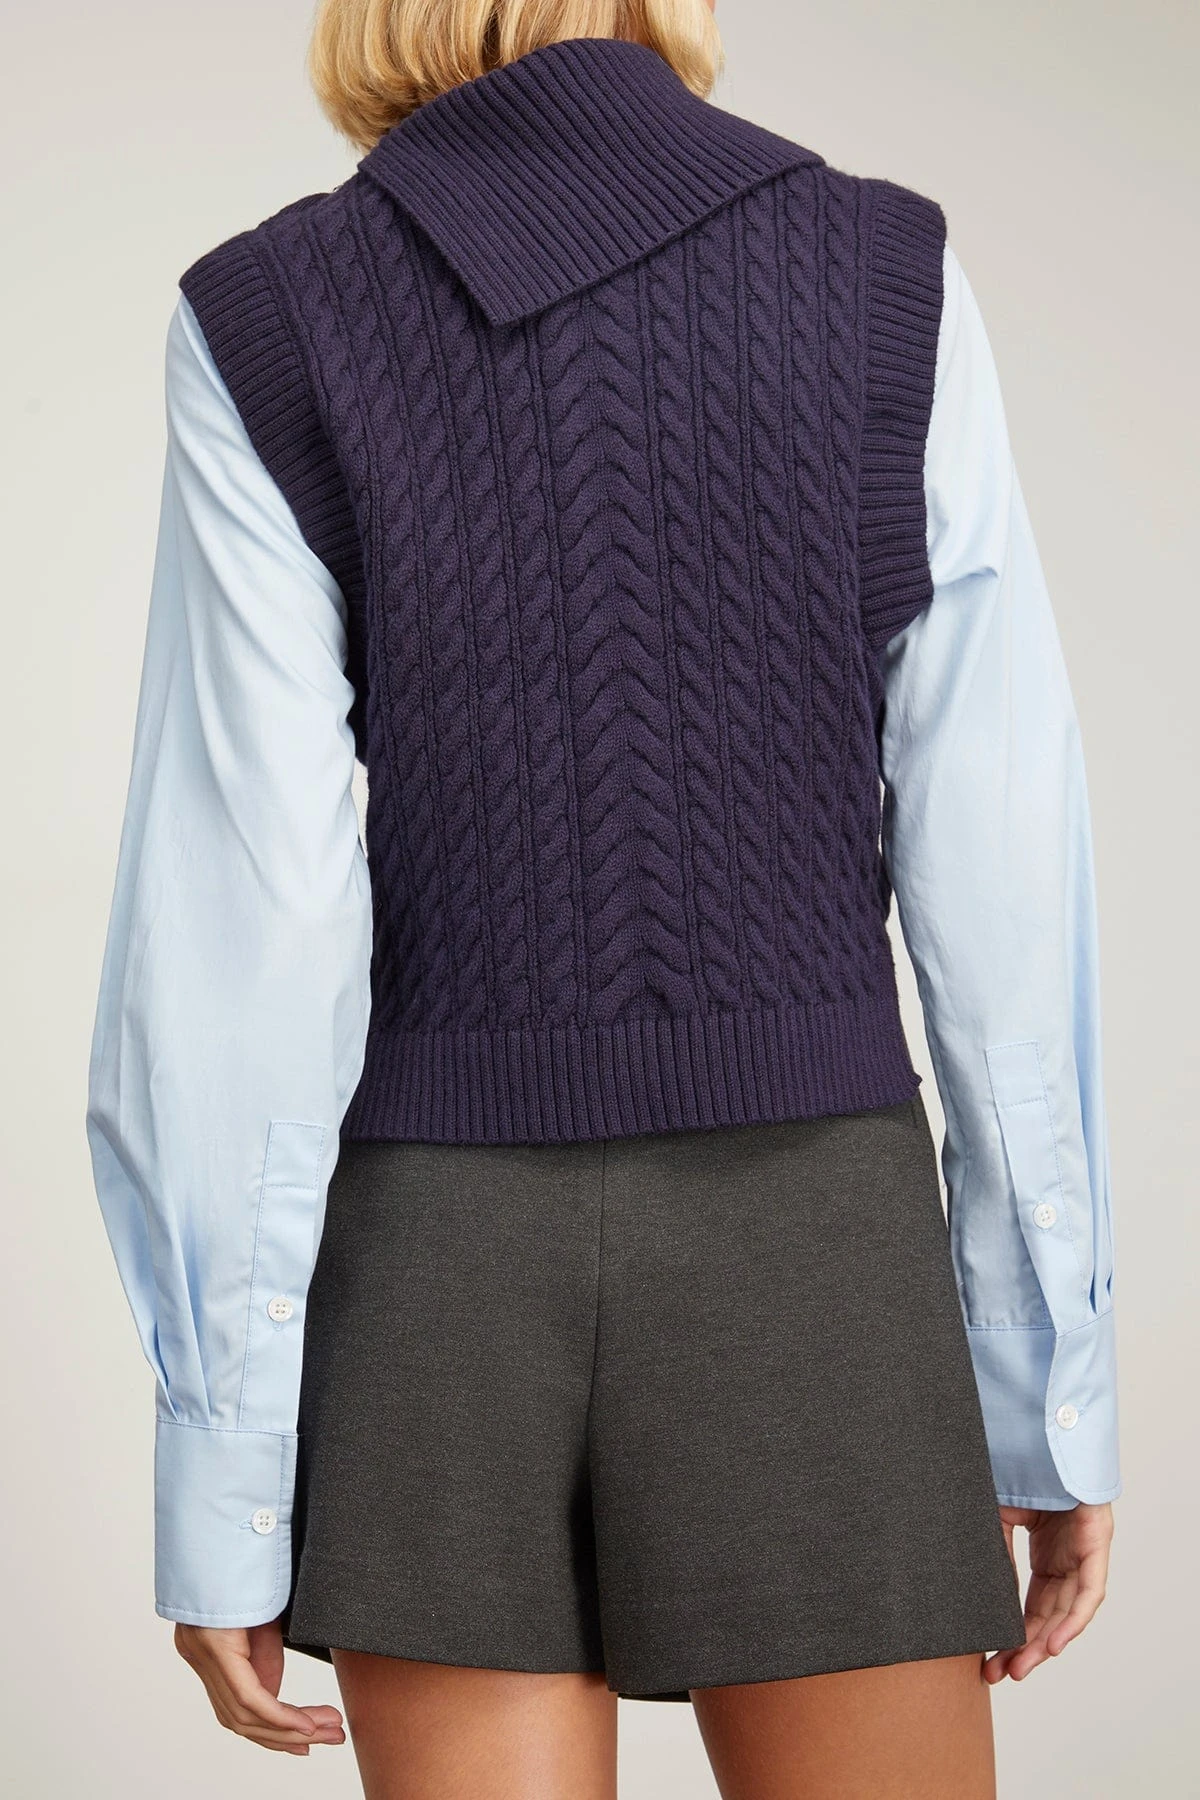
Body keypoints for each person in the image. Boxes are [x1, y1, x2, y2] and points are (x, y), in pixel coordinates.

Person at [85, 1, 1120, 1794]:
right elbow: (998, 863)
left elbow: (246, 916)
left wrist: (223, 1473)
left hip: (436, 1263)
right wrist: (1051, 1379)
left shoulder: (271, 313)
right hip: (815, 1241)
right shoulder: (881, 272)